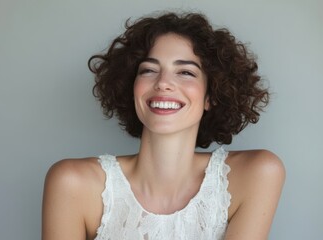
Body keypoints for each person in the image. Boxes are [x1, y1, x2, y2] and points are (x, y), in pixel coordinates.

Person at [42, 11, 285, 240]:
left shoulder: (257, 173)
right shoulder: (71, 183)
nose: (163, 83)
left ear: (211, 96)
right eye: (149, 70)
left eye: (186, 72)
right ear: (131, 87)